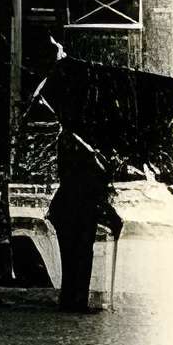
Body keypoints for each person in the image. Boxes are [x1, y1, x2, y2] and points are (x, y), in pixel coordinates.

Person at [48, 132, 118, 316]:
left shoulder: (74, 144)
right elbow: (95, 190)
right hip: (77, 209)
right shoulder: (89, 157)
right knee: (81, 255)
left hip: (68, 208)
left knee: (73, 256)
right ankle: (76, 301)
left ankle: (70, 300)